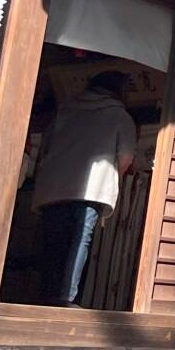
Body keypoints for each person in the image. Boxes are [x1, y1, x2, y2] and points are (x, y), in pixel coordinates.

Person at [34, 71, 136, 307]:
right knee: (79, 241)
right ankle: (67, 298)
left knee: (53, 243)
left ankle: (45, 297)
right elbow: (126, 156)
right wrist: (114, 177)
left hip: (54, 186)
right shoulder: (120, 116)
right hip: (92, 188)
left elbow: (45, 147)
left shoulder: (65, 112)